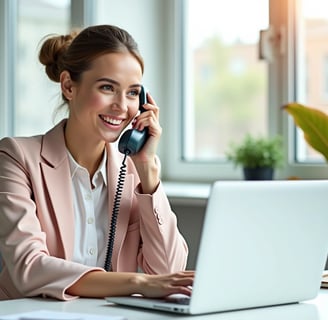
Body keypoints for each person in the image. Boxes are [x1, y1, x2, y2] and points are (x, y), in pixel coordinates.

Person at [0, 24, 193, 301]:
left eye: (131, 93)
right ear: (68, 85)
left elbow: (168, 271)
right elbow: (28, 267)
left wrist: (148, 173)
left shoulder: (134, 171)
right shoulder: (16, 157)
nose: (121, 106)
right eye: (107, 87)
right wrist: (138, 282)